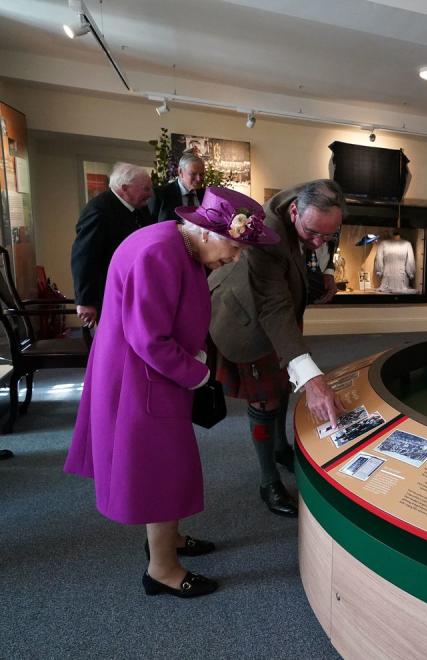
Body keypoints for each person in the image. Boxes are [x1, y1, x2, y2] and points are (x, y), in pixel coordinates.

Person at [64, 187, 280, 598]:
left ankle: (170, 539)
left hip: (149, 371)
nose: (234, 258)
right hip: (142, 377)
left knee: (169, 462)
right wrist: (200, 374)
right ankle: (161, 568)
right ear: (207, 231)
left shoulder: (172, 239)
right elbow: (149, 340)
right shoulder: (160, 254)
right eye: (234, 247)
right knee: (160, 468)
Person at [208, 180, 346, 517]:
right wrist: (313, 380)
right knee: (264, 398)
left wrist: (325, 267)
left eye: (326, 235)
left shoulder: (320, 208)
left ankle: (280, 446)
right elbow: (272, 307)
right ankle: (267, 480)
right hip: (247, 319)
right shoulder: (266, 235)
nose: (318, 242)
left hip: (280, 311)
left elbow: (321, 238)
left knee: (283, 386)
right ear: (295, 211)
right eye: (313, 233)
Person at [70, 162, 154, 327]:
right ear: (125, 188)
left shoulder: (140, 208)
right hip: (109, 294)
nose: (150, 194)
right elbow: (84, 256)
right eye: (145, 189)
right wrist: (85, 300)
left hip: (134, 291)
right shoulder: (99, 210)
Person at [149, 152, 206, 221]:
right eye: (193, 174)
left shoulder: (206, 196)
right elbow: (149, 227)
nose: (198, 179)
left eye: (201, 174)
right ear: (180, 172)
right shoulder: (160, 194)